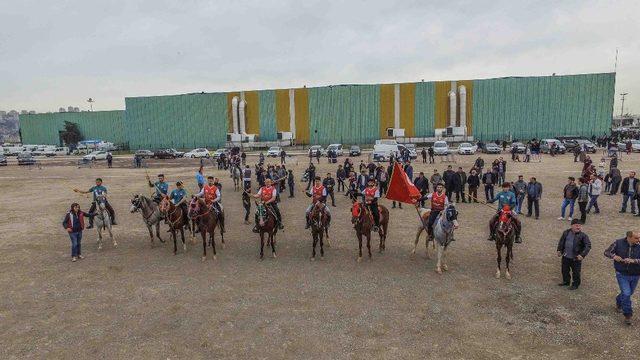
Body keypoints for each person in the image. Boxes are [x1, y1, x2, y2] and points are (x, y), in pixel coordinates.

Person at [604, 231, 640, 325]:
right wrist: (614, 256)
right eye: (636, 238)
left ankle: (618, 301)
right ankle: (628, 315)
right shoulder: (618, 243)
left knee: (629, 292)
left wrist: (634, 261)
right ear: (629, 237)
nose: (638, 240)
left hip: (636, 274)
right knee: (627, 293)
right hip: (622, 273)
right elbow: (607, 252)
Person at [557, 219, 591, 290]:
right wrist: (559, 250)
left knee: (576, 272)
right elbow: (561, 242)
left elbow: (588, 246)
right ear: (572, 226)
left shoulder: (583, 236)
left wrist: (582, 255)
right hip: (566, 256)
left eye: (579, 226)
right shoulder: (566, 233)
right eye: (576, 226)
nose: (578, 227)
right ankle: (566, 281)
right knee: (564, 270)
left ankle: (575, 284)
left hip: (576, 258)